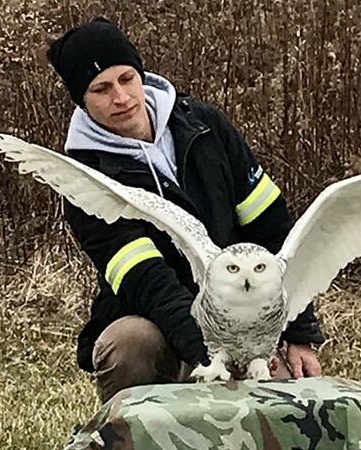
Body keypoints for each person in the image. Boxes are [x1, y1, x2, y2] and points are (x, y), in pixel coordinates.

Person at [46, 17, 325, 402]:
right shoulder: (83, 178)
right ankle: (136, 434)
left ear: (140, 74)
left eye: (127, 78)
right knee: (128, 345)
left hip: (245, 305)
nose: (121, 97)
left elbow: (274, 230)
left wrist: (298, 331)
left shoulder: (205, 127)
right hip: (153, 318)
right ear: (82, 99)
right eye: (101, 89)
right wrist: (216, 357)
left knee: (288, 409)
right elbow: (148, 281)